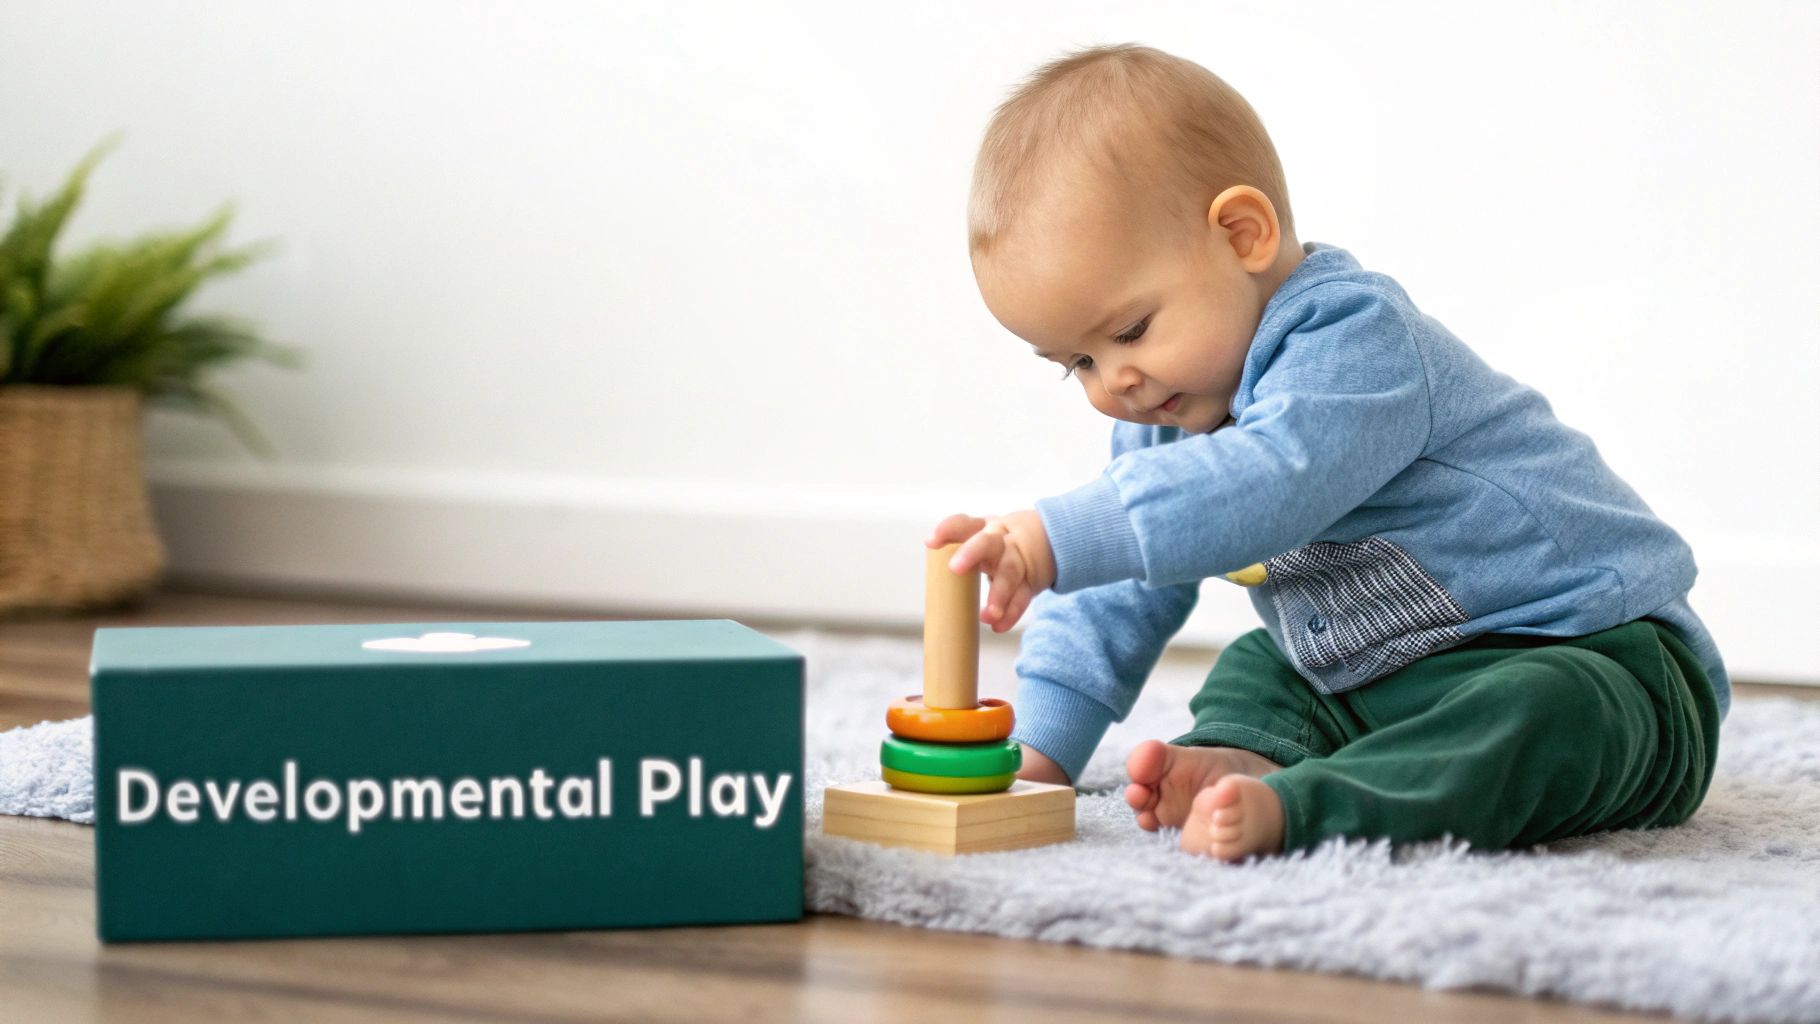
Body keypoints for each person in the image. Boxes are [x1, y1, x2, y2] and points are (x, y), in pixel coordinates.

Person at [927, 44, 1725, 862]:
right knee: (1263, 665)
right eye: (1078, 363)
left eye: (1129, 331)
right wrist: (1039, 754)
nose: (1113, 384)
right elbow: (1126, 578)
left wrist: (1057, 537)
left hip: (1591, 650)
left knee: (1544, 712)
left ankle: (1322, 803)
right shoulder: (1169, 400)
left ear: (1243, 235)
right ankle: (1253, 752)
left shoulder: (1354, 342)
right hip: (1382, 676)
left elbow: (1265, 481)